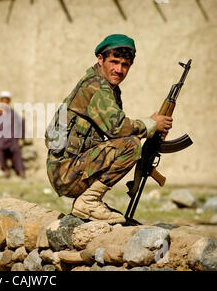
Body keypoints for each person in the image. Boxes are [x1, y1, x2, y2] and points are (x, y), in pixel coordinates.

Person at [45, 34, 173, 224]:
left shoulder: (107, 87)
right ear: (100, 59)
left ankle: (89, 202)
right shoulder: (95, 86)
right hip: (66, 173)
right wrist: (152, 123)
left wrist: (153, 128)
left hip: (70, 169)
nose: (119, 70)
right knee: (131, 145)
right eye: (114, 62)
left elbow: (117, 130)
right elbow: (118, 128)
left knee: (130, 142)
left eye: (125, 65)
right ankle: (88, 202)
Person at [0, 91, 26, 179]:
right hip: (0, 137)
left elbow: (21, 123)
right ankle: (5, 170)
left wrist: (21, 135)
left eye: (6, 101)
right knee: (0, 148)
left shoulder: (13, 113)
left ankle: (20, 171)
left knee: (16, 150)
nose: (4, 102)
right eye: (3, 101)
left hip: (12, 137)